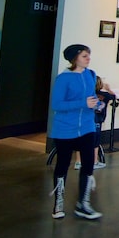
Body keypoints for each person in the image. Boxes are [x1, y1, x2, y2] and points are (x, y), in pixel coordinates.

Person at [49, 44, 103, 220]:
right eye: (84, 56)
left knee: (88, 165)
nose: (88, 59)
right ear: (75, 59)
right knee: (63, 165)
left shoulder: (90, 75)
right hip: (65, 128)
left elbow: (91, 97)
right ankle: (58, 203)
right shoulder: (63, 79)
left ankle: (83, 203)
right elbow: (57, 105)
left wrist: (97, 104)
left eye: (89, 55)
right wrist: (82, 104)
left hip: (86, 127)